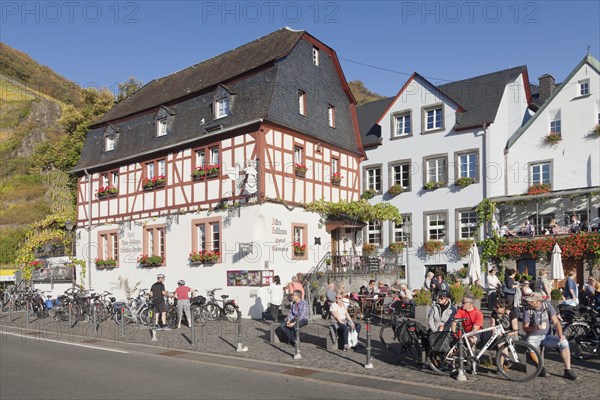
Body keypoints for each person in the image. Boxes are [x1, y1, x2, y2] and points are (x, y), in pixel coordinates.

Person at [523, 292, 577, 380]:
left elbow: (556, 322)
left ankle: (568, 370)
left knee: (564, 343)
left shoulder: (547, 306)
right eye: (529, 301)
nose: (530, 303)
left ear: (538, 301)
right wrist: (535, 327)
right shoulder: (527, 311)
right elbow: (525, 328)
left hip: (547, 336)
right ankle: (540, 367)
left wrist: (560, 334)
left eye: (532, 301)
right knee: (529, 345)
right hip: (533, 336)